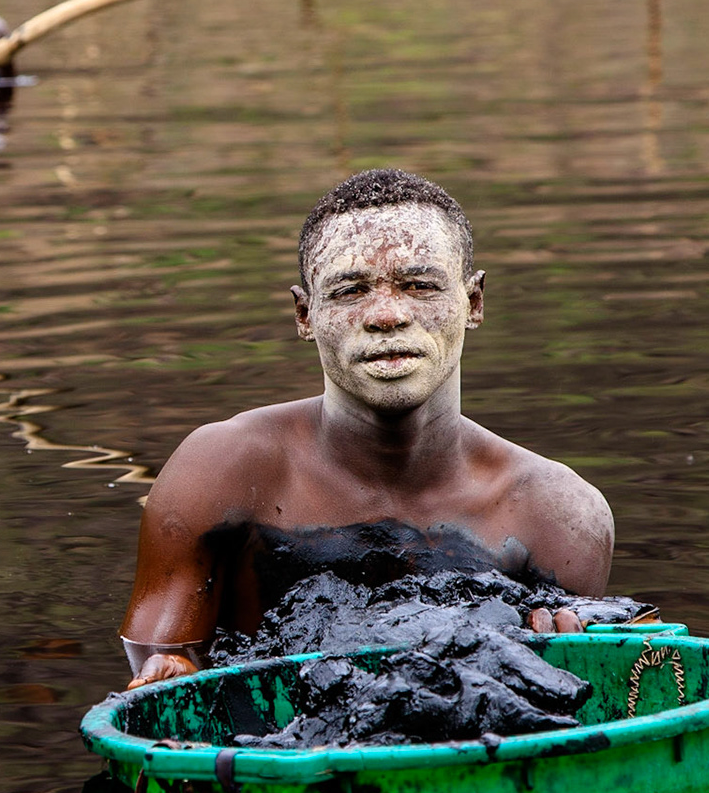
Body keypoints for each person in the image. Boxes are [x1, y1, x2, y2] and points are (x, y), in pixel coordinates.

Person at [119, 169, 615, 688]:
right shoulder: (222, 472)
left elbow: (569, 701)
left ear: (473, 302)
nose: (386, 315)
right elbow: (162, 678)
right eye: (351, 291)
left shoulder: (555, 513)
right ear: (305, 313)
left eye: (419, 285)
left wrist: (556, 651)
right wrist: (170, 671)